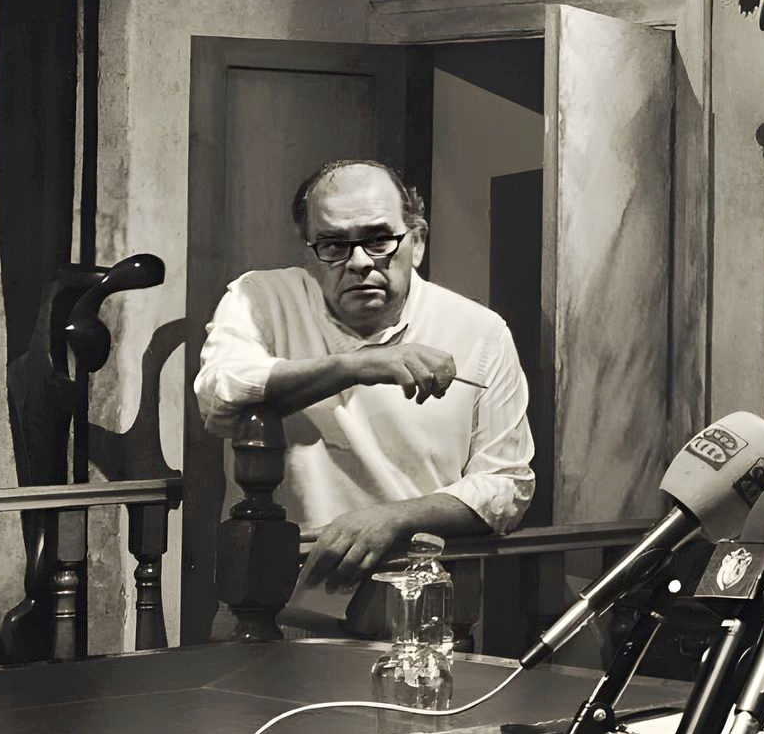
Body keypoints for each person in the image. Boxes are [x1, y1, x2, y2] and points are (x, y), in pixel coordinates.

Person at [194, 159, 534, 631]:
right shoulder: (262, 298)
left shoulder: (480, 331)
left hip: (415, 615)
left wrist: (394, 519)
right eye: (334, 244)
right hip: (272, 612)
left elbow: (507, 483)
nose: (358, 262)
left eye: (378, 239)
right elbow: (219, 392)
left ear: (417, 241)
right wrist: (356, 365)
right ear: (310, 249)